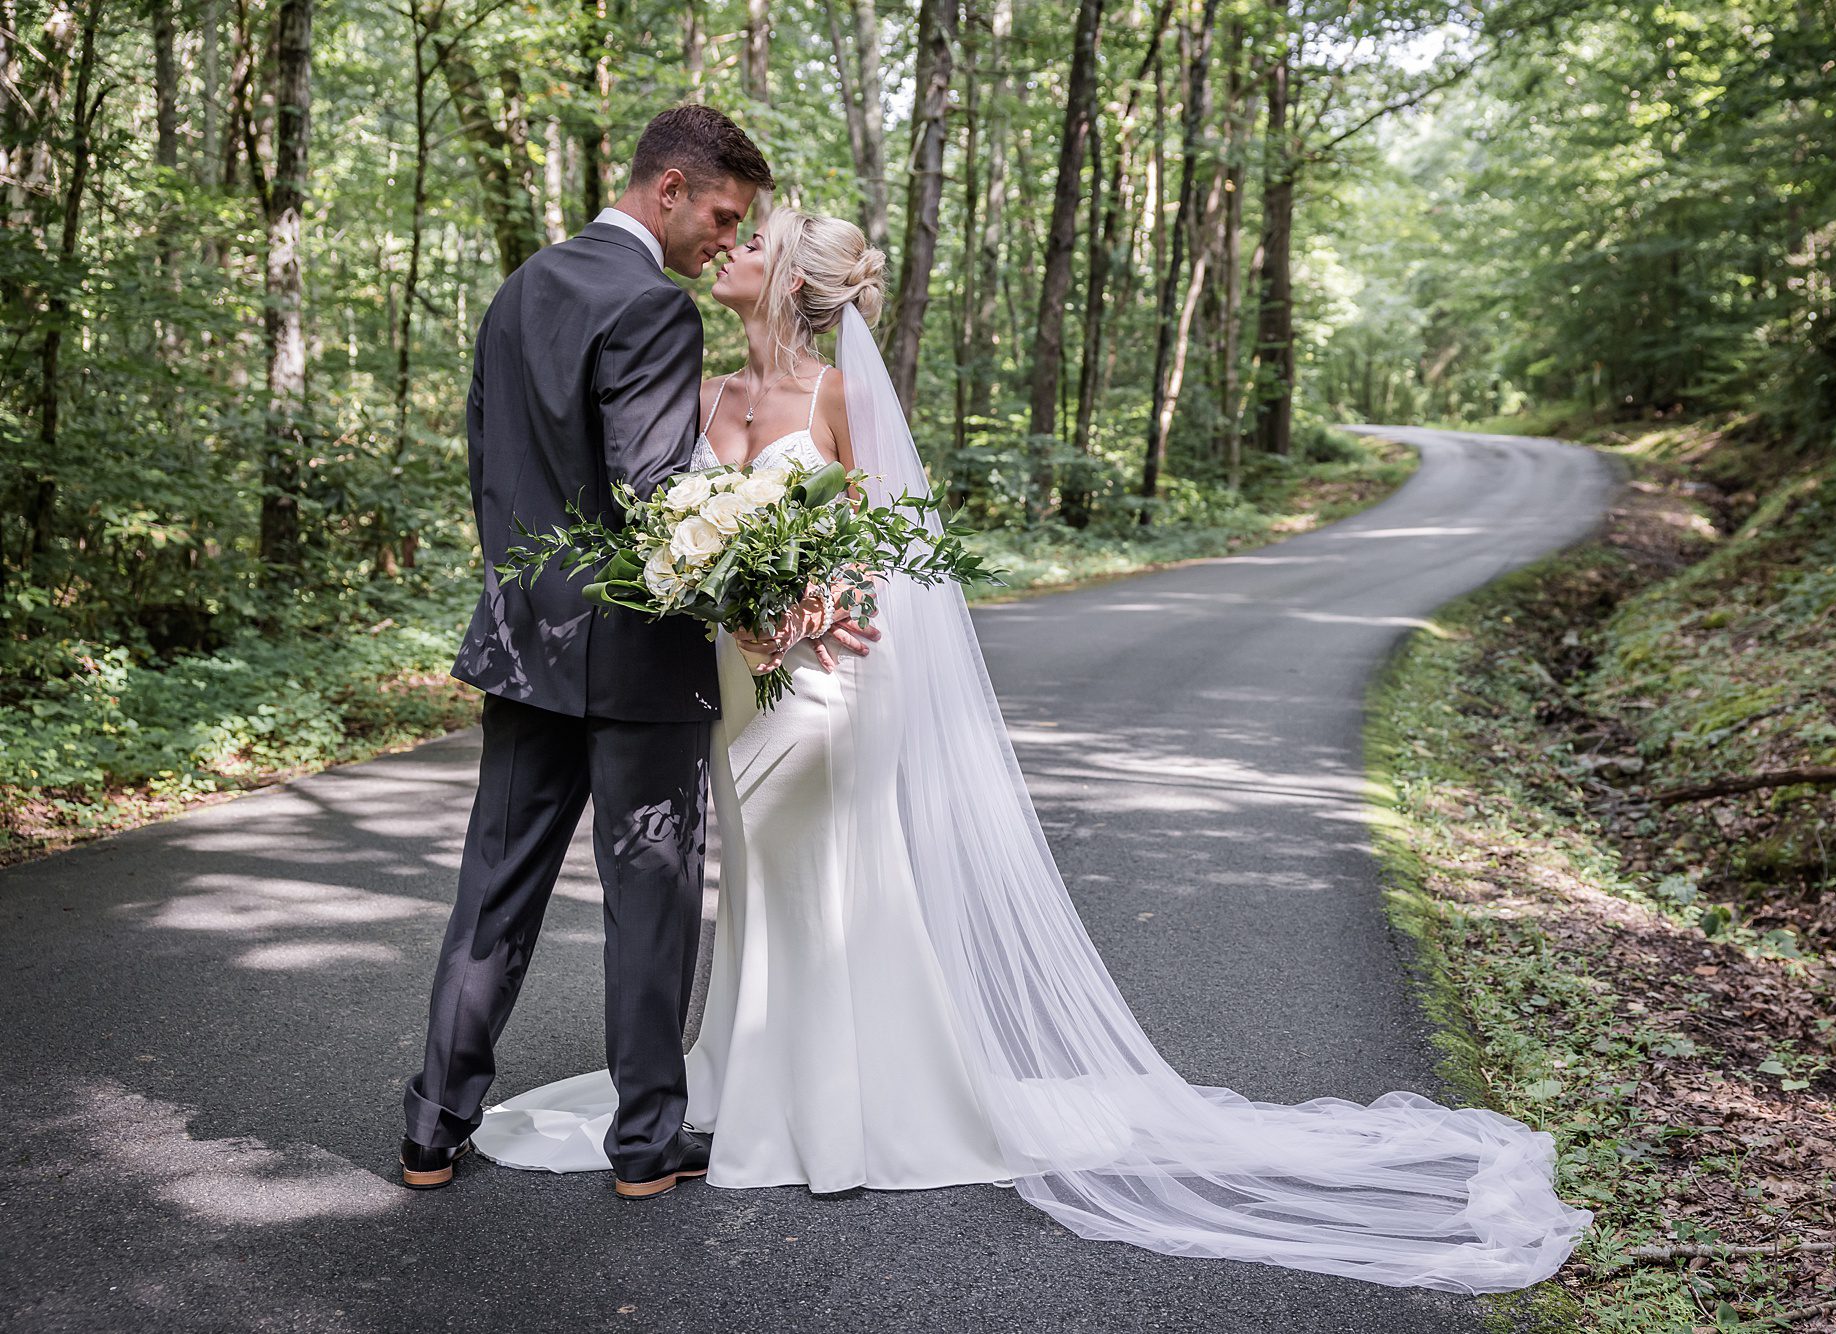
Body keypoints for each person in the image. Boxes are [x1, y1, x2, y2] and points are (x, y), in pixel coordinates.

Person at [472, 207, 1595, 1294]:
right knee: (759, 884)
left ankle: (845, 1104)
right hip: (731, 678)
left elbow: (881, 553)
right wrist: (728, 600)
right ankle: (750, 1080)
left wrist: (811, 609)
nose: (731, 247)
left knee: (830, 877)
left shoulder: (841, 393)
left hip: (821, 676)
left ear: (783, 282)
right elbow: (676, 534)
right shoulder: (710, 390)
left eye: (752, 242)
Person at [399, 108, 861, 1202]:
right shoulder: (649, 305)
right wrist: (756, 589)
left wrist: (526, 596)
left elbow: (489, 469)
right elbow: (663, 500)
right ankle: (646, 1142)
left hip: (523, 642)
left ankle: (430, 1126)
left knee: (493, 892)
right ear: (667, 189)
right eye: (718, 215)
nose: (720, 240)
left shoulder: (521, 288)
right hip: (638, 656)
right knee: (646, 895)